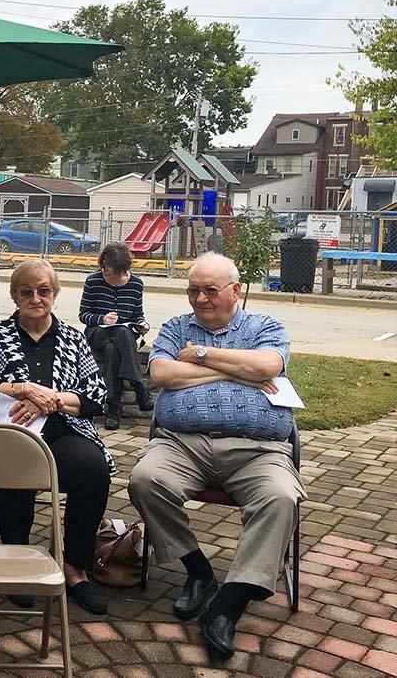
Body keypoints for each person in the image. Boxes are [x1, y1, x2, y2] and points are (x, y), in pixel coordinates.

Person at [128, 252, 306, 661]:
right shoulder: (176, 328)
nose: (201, 299)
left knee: (280, 497)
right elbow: (161, 374)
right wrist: (237, 372)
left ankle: (228, 606)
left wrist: (203, 357)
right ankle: (198, 571)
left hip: (257, 450)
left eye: (211, 290)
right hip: (182, 445)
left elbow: (269, 363)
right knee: (145, 480)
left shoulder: (265, 326)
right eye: (194, 290)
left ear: (236, 291)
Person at [0, 259, 115, 614]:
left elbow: (95, 396)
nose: (35, 298)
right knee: (12, 464)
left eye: (43, 291)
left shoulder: (74, 339)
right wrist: (21, 389)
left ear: (55, 294)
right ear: (14, 295)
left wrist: (51, 402)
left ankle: (75, 567)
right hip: (10, 433)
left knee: (94, 469)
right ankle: (16, 559)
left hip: (62, 433)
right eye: (26, 291)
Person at [79, 242, 153, 430]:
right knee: (120, 333)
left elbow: (137, 315)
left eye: (109, 271)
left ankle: (113, 410)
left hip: (123, 336)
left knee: (114, 349)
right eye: (103, 268)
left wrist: (143, 325)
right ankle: (139, 389)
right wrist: (101, 318)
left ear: (122, 270)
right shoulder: (93, 281)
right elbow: (83, 315)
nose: (104, 272)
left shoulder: (136, 284)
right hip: (97, 333)